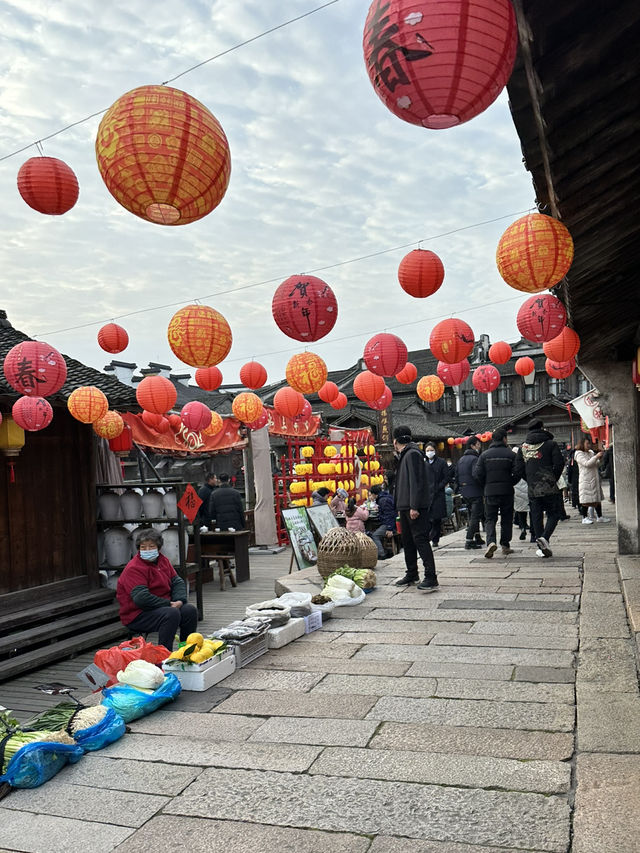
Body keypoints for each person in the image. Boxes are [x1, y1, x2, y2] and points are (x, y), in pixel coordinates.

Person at [116, 528, 198, 651]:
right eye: (143, 547)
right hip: (137, 614)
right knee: (171, 614)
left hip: (162, 607)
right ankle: (164, 653)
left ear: (158, 548)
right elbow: (141, 598)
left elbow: (177, 582)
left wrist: (179, 600)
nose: (147, 550)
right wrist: (168, 604)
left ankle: (186, 650)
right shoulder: (134, 568)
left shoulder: (163, 560)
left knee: (189, 611)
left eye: (151, 546)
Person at [392, 425, 438, 591]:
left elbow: (416, 482)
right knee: (408, 541)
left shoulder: (412, 454)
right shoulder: (406, 454)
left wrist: (414, 506)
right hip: (405, 505)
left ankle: (431, 576)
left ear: (395, 441)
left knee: (420, 540)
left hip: (413, 506)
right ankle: (412, 572)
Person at [514, 418, 565, 558]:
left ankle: (541, 546)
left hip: (532, 487)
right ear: (542, 427)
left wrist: (530, 479)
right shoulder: (551, 444)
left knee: (536, 516)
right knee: (554, 513)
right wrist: (552, 477)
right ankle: (545, 538)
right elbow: (559, 463)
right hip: (549, 485)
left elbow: (518, 469)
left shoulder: (523, 447)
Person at [473, 428, 519, 558]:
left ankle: (491, 542)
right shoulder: (511, 455)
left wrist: (485, 485)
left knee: (490, 518)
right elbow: (518, 472)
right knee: (506, 518)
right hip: (507, 491)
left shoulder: (484, 455)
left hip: (490, 492)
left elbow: (477, 474)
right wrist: (510, 482)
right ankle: (505, 545)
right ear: (504, 439)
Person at [455, 435, 485, 550]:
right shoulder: (475, 459)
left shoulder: (461, 460)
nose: (479, 446)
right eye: (478, 444)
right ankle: (468, 540)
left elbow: (456, 476)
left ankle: (477, 537)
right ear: (473, 446)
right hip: (475, 491)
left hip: (465, 492)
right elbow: (476, 475)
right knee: (475, 516)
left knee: (471, 514)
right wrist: (482, 485)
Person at [574, 437, 611, 524]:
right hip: (586, 479)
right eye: (587, 443)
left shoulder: (590, 452)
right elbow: (587, 464)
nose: (589, 445)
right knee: (586, 500)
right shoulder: (578, 454)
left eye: (589, 443)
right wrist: (596, 457)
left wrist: (600, 458)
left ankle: (600, 516)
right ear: (582, 444)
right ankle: (584, 517)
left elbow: (596, 463)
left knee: (597, 499)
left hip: (594, 477)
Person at [425, 443, 449, 549]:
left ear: (435, 451)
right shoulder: (423, 462)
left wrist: (439, 486)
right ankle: (430, 536)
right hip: (426, 494)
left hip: (438, 493)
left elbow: (446, 477)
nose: (429, 452)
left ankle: (435, 539)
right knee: (428, 518)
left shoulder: (441, 462)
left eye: (431, 450)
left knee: (437, 518)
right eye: (427, 450)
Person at [369, 483, 396, 559]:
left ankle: (381, 554)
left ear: (374, 494)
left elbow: (389, 515)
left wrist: (389, 529)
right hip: (388, 522)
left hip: (390, 524)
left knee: (375, 535)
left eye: (371, 494)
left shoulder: (383, 500)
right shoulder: (384, 497)